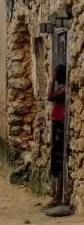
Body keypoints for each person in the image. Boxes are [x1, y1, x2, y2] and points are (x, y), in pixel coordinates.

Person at [46, 64, 66, 208]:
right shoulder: (62, 88)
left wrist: (51, 80)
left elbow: (49, 97)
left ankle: (58, 195)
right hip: (57, 125)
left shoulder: (64, 90)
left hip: (60, 126)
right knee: (55, 158)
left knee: (58, 160)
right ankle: (57, 194)